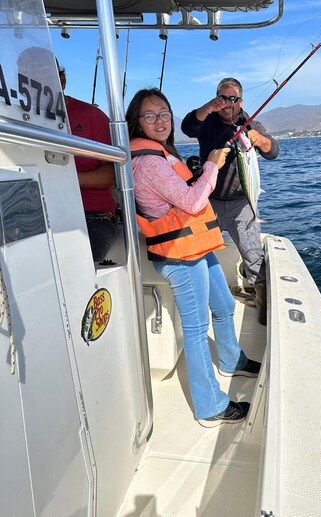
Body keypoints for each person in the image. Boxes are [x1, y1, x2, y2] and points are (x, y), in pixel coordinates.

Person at [125, 87, 260, 427]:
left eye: (164, 114)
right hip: (178, 256)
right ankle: (209, 405)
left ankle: (231, 359)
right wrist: (213, 165)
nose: (160, 121)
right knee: (197, 329)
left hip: (195, 247)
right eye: (150, 115)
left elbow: (184, 194)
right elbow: (195, 203)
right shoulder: (149, 164)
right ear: (137, 122)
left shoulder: (160, 156)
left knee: (225, 305)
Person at [181, 77, 279, 325]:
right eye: (222, 97)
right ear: (216, 98)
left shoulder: (250, 124)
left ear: (240, 101)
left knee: (253, 256)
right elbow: (187, 127)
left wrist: (260, 140)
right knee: (197, 253)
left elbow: (273, 151)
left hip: (241, 204)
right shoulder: (207, 122)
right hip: (208, 201)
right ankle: (201, 302)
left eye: (232, 98)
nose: (227, 103)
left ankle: (262, 304)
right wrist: (209, 107)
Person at [58, 63, 119, 262]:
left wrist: (65, 179)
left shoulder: (92, 116)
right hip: (36, 214)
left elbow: (113, 174)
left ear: (63, 79)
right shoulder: (14, 119)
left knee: (75, 261)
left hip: (93, 215)